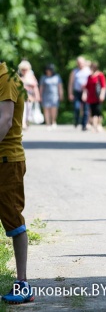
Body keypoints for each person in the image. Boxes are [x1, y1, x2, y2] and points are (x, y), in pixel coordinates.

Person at [0, 61, 34, 304]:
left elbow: (4, 121)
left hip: (6, 161)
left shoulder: (7, 79)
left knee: (13, 218)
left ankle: (23, 283)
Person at [82, 62, 106, 132]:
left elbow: (103, 86)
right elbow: (86, 87)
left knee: (98, 111)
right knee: (92, 112)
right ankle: (94, 125)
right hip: (91, 97)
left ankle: (99, 125)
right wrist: (84, 94)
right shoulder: (89, 77)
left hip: (98, 97)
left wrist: (102, 95)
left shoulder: (100, 75)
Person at [68, 56, 91, 131]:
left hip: (87, 92)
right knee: (77, 107)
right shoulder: (74, 71)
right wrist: (70, 93)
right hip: (77, 92)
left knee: (86, 109)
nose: (80, 64)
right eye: (78, 63)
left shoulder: (88, 71)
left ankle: (84, 125)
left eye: (81, 62)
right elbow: (71, 83)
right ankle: (76, 120)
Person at [39, 64, 63, 130]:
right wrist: (40, 96)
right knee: (46, 109)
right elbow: (41, 87)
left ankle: (53, 121)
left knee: (54, 109)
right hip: (45, 95)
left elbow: (60, 87)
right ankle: (47, 123)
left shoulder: (57, 77)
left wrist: (61, 94)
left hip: (55, 96)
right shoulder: (43, 77)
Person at [17, 60, 40, 130]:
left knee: (29, 110)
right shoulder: (18, 75)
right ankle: (23, 123)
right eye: (23, 69)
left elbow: (35, 86)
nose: (24, 71)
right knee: (23, 110)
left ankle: (27, 121)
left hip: (30, 96)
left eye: (26, 69)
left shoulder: (31, 76)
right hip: (21, 95)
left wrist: (37, 95)